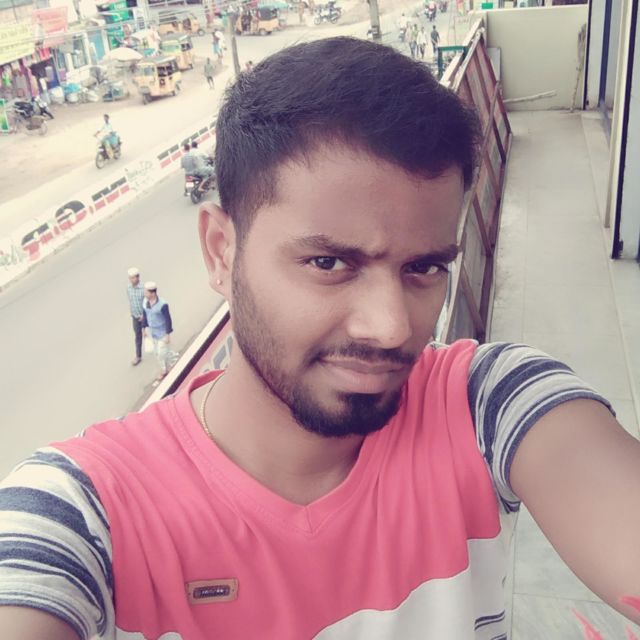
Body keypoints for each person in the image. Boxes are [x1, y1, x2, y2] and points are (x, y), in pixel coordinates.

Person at [1, 37, 640, 640]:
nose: (392, 327)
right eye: (329, 263)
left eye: (424, 268)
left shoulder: (486, 404)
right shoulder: (83, 512)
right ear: (221, 251)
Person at [141, 281, 176, 383]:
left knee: (161, 353)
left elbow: (168, 319)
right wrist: (144, 329)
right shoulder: (145, 302)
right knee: (157, 353)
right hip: (152, 333)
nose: (144, 294)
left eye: (146, 292)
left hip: (162, 333)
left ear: (152, 293)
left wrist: (168, 334)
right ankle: (166, 367)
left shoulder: (162, 304)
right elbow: (145, 315)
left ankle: (167, 368)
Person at [126, 267, 145, 366]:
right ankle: (138, 356)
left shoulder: (143, 289)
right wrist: (132, 313)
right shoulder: (128, 288)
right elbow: (131, 301)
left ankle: (161, 351)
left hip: (145, 316)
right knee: (138, 336)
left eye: (135, 277)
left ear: (138, 277)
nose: (133, 279)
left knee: (153, 333)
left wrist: (144, 315)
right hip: (135, 317)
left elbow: (148, 303)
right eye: (131, 278)